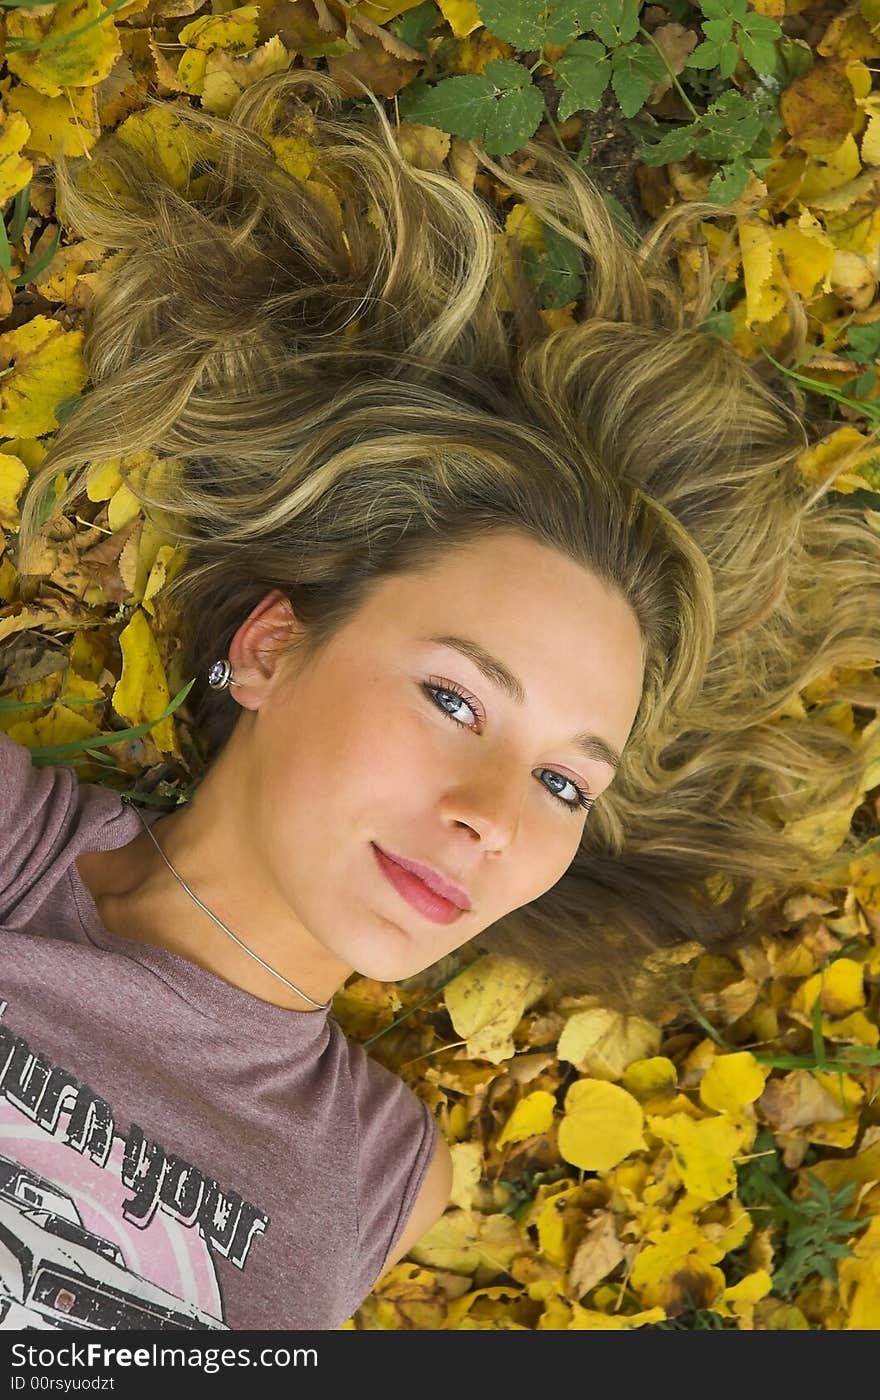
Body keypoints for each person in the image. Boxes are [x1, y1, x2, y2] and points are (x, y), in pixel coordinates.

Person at [3, 69, 878, 1332]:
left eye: (565, 781)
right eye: (460, 701)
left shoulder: (383, 1178)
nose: (493, 819)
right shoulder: (21, 863)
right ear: (268, 652)